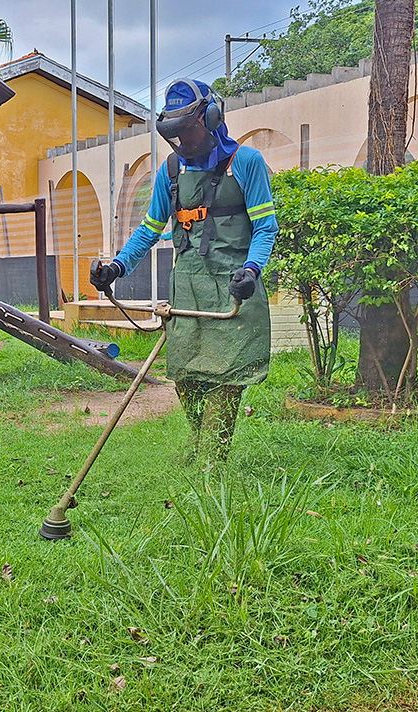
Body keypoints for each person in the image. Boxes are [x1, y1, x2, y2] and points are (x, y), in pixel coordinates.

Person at [91, 79, 278, 466]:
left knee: (227, 378)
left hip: (234, 288)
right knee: (187, 376)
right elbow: (149, 229)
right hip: (187, 288)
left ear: (211, 118)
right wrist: (117, 267)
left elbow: (266, 228)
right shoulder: (171, 170)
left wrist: (252, 269)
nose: (182, 143)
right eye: (173, 136)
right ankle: (199, 441)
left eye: (187, 132)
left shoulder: (246, 163)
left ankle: (213, 461)